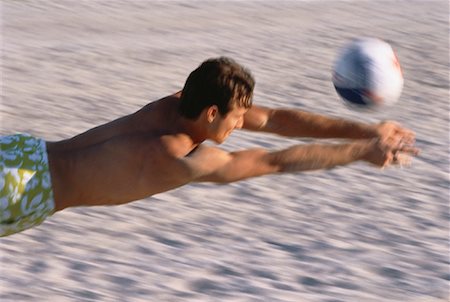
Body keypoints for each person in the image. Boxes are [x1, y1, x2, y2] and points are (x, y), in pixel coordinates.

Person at [0, 57, 419, 237]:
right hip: (21, 194)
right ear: (214, 112)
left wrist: (365, 131)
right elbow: (273, 161)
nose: (244, 123)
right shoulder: (181, 157)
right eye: (238, 117)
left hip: (20, 152)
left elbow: (274, 120)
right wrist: (361, 152)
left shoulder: (172, 104)